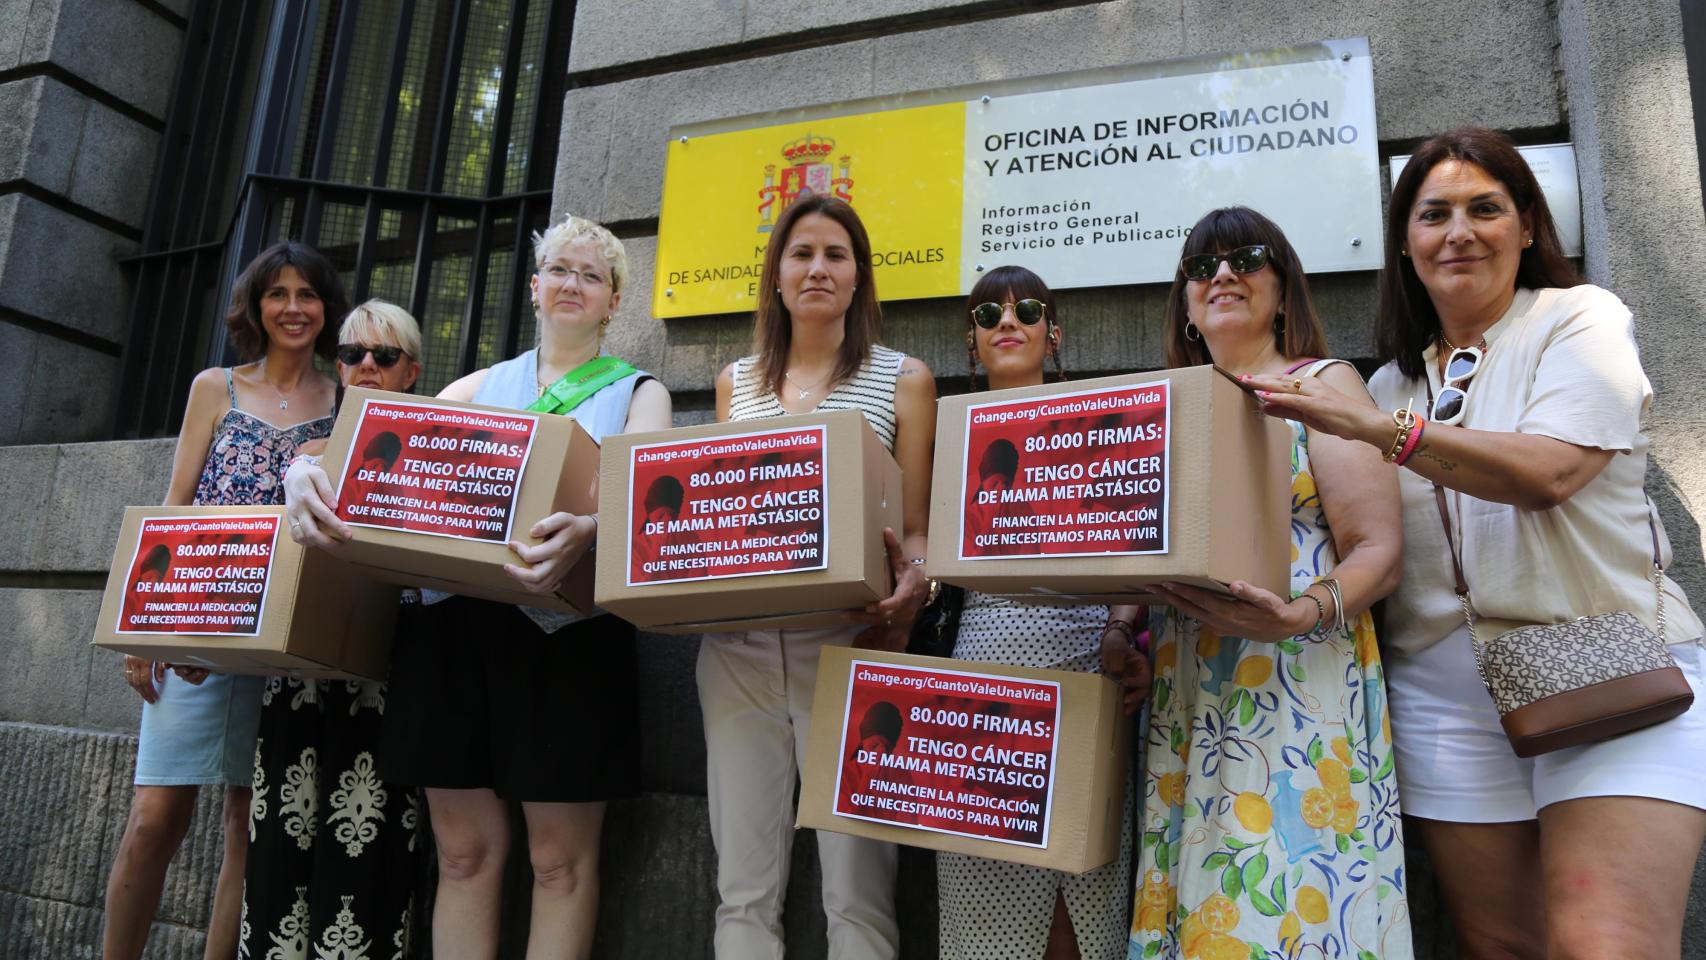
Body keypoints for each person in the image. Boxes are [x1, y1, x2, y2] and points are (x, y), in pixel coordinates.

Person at [1249, 128, 1706, 959]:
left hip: (1601, 660)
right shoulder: (1391, 380)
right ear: (1405, 244)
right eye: (1434, 215)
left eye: (1484, 209)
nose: (1458, 232)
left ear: (1527, 225)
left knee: (1604, 942)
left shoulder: (1580, 318)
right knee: (1500, 947)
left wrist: (1378, 430)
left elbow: (1550, 473)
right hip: (1442, 699)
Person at [285, 215, 670, 959]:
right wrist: (303, 473)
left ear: (614, 301)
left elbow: (644, 499)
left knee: (559, 863)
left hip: (566, 637)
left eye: (591, 275)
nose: (573, 283)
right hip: (452, 632)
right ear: (534, 286)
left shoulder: (639, 394)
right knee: (462, 855)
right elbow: (368, 455)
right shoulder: (475, 387)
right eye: (559, 269)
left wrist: (593, 528)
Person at [1131, 208, 1411, 959]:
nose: (1223, 274)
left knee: (1289, 888)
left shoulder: (1322, 383)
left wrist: (1297, 616)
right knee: (1210, 894)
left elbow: (1379, 550)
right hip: (1193, 684)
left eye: (1246, 258)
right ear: (1186, 307)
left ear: (1284, 290)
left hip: (1297, 677)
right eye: (1202, 267)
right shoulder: (1168, 406)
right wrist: (1121, 626)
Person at [705, 194, 934, 959]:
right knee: (742, 891)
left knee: (858, 896)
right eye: (801, 253)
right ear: (775, 274)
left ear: (859, 276)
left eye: (836, 254)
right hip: (736, 650)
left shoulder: (904, 378)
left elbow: (919, 528)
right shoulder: (734, 382)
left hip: (851, 643)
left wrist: (916, 586)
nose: (817, 269)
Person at [101, 241, 345, 960]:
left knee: (249, 825)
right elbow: (175, 504)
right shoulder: (216, 387)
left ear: (325, 307)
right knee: (155, 817)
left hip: (287, 640)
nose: (294, 308)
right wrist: (142, 629)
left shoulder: (344, 401)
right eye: (278, 293)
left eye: (307, 294)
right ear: (255, 306)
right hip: (196, 627)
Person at [936, 264, 1146, 960]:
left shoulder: (1100, 422)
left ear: (1052, 333)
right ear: (971, 340)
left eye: (1026, 310)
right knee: (987, 879)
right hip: (980, 674)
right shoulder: (947, 436)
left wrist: (1120, 628)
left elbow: (1137, 542)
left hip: (1088, 664)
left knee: (1076, 893)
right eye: (988, 314)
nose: (1008, 322)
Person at [241, 300, 426, 956]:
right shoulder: (308, 455)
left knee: (370, 840)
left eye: (385, 355)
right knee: (281, 840)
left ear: (412, 371)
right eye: (352, 354)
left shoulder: (436, 449)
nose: (367, 365)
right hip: (302, 671)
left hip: (392, 666)